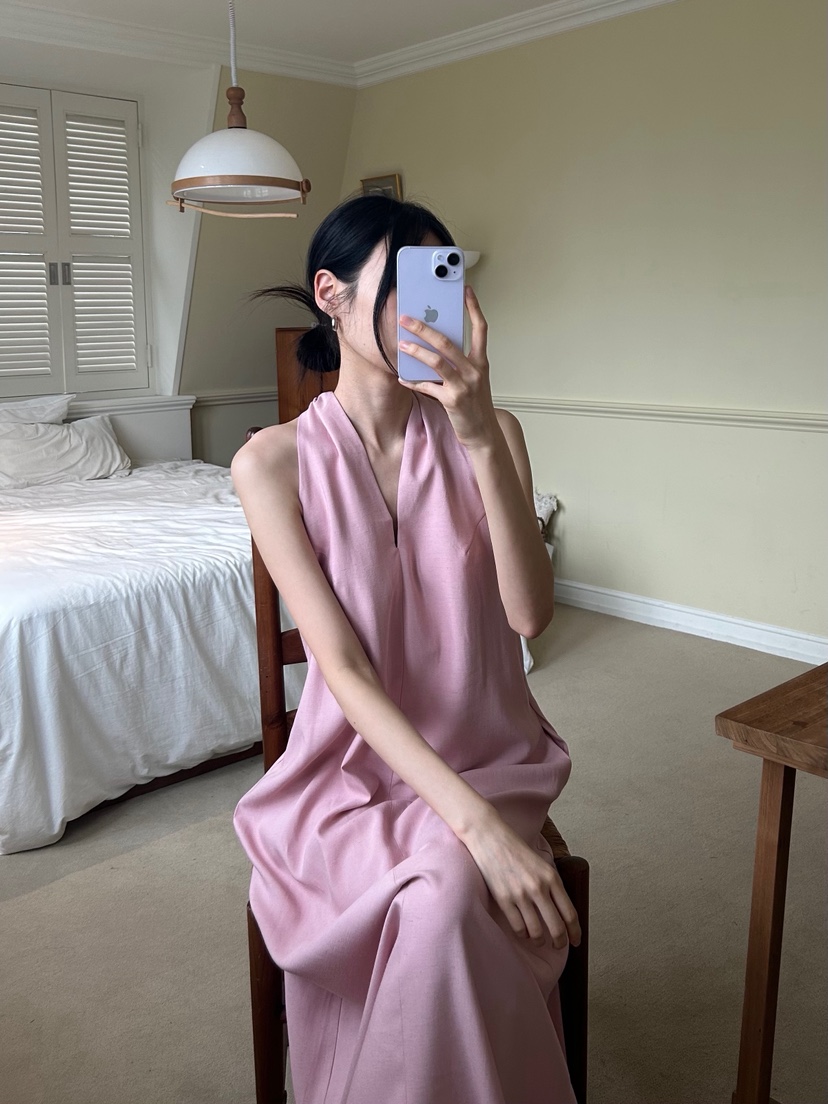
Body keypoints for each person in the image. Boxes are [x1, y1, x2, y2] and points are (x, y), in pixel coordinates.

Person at [232, 194, 580, 1104]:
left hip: (489, 756)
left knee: (444, 903)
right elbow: (342, 670)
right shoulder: (269, 464)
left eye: (441, 280)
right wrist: (474, 830)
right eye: (403, 283)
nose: (426, 308)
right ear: (331, 295)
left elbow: (531, 615)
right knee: (447, 900)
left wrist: (477, 428)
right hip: (344, 781)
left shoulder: (496, 433)